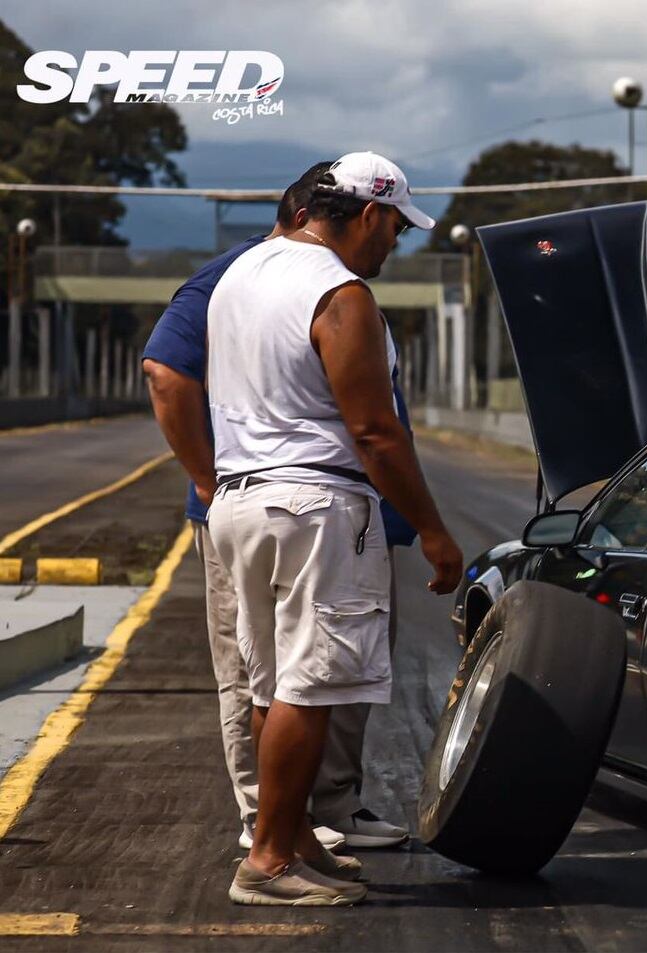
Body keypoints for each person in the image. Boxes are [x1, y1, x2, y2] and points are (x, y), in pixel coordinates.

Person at [205, 151, 463, 905]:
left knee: (272, 684)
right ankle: (269, 862)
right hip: (314, 506)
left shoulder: (242, 274)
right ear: (371, 214)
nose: (394, 245)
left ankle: (290, 840)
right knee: (313, 687)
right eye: (396, 229)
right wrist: (433, 531)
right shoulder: (341, 293)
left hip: (239, 500)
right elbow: (375, 432)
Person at [141, 163, 414, 854]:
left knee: (322, 675)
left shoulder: (309, 285)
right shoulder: (250, 279)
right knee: (275, 676)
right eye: (394, 227)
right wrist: (208, 478)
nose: (395, 245)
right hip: (294, 501)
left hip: (323, 504)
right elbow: (165, 371)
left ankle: (324, 814)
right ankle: (269, 828)